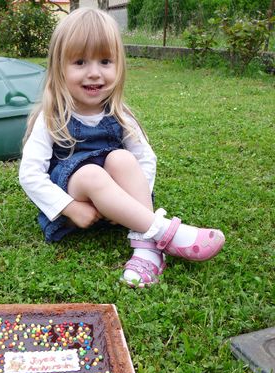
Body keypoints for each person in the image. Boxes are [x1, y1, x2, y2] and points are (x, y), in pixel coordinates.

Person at [19, 8, 225, 288]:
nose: (94, 73)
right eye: (80, 62)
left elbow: (146, 161)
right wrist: (69, 208)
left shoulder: (120, 115)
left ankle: (146, 249)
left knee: (123, 158)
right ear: (59, 67)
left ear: (119, 66)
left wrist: (130, 203)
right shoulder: (52, 116)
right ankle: (165, 231)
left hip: (116, 211)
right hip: (78, 208)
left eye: (105, 61)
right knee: (91, 173)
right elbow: (30, 174)